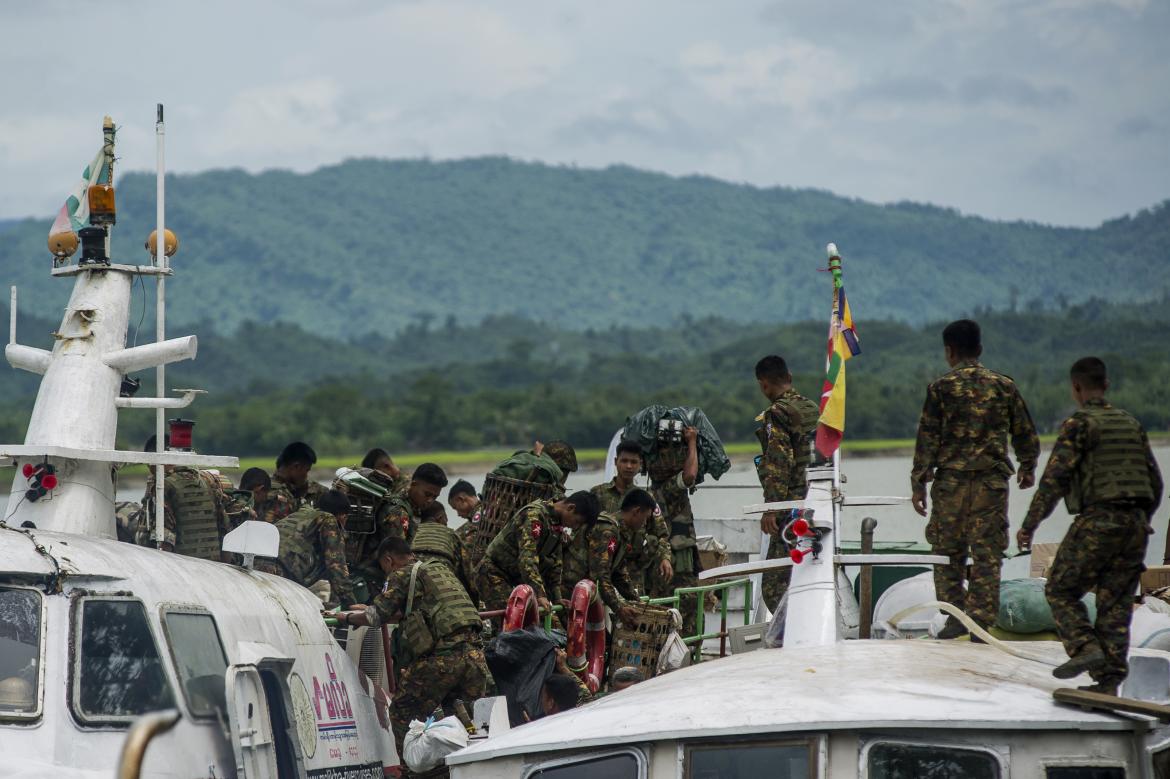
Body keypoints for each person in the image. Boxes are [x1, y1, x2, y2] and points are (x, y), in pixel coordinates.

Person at [1017, 357, 1163, 694]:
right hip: (1137, 526)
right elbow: (1155, 483)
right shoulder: (1131, 423)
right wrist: (1142, 519)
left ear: (1077, 388)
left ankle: (1085, 647)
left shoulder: (1079, 424)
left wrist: (1029, 526)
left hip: (1099, 520)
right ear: (1107, 385)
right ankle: (1109, 682)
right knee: (1116, 603)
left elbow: (1054, 480)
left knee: (1059, 588)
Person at [911, 319, 1040, 640]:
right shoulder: (1003, 386)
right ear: (979, 349)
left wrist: (919, 483)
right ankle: (980, 622)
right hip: (990, 485)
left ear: (949, 352)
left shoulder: (940, 389)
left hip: (951, 484)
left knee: (946, 551)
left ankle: (955, 615)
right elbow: (1024, 431)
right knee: (987, 552)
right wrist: (1027, 466)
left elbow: (927, 440)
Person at [343, 537, 488, 760]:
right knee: (463, 718)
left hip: (442, 659)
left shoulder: (401, 574)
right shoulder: (439, 570)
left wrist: (347, 617)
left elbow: (376, 616)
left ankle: (412, 770)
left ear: (389, 560)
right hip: (475, 656)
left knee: (403, 712)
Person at [754, 355, 820, 611]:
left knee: (774, 585)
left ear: (764, 384)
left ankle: (789, 639)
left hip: (791, 508)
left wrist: (772, 508)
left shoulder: (777, 413)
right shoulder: (812, 408)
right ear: (789, 377)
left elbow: (779, 462)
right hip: (816, 501)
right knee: (809, 572)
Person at [477, 492, 600, 618]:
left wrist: (557, 598)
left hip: (519, 580)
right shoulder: (534, 516)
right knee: (512, 622)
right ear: (570, 508)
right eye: (577, 521)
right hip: (494, 574)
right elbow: (527, 559)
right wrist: (540, 594)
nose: (575, 527)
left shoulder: (556, 523)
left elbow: (555, 563)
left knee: (550, 626)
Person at [349, 463, 449, 601]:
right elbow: (398, 560)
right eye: (427, 494)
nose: (430, 500)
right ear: (413, 484)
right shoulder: (398, 512)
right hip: (372, 580)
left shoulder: (409, 506)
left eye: (435, 497)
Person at [562, 489, 655, 625]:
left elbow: (619, 574)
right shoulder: (608, 530)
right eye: (645, 518)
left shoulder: (621, 533)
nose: (645, 523)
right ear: (636, 512)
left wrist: (639, 603)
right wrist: (619, 608)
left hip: (583, 594)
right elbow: (601, 574)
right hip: (570, 594)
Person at [590, 441, 672, 596]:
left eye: (633, 462)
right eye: (624, 461)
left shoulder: (646, 499)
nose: (629, 466)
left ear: (640, 465)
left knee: (633, 613)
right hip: (602, 568)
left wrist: (665, 558)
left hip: (633, 572)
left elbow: (662, 534)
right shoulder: (598, 494)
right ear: (616, 462)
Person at [139, 434, 231, 561]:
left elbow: (164, 539)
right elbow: (225, 528)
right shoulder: (209, 480)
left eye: (149, 466)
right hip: (214, 566)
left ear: (155, 461)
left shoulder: (164, 486)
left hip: (184, 567)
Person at [647, 426, 702, 638]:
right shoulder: (669, 486)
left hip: (674, 554)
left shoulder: (651, 491)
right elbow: (689, 475)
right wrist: (692, 442)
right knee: (685, 606)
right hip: (675, 557)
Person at [264, 489, 358, 608]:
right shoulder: (329, 519)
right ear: (343, 516)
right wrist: (350, 603)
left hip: (258, 567)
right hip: (282, 572)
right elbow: (336, 564)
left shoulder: (299, 514)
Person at [265, 442, 324, 522]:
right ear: (296, 467)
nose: (306, 476)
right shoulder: (269, 492)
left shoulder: (308, 488)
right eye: (306, 470)